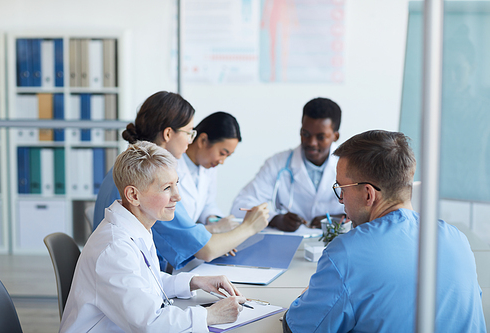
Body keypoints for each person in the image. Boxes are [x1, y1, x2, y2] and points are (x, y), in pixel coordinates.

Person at [283, 130, 486, 332]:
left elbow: (298, 328)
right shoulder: (458, 239)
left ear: (368, 194)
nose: (341, 200)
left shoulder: (346, 254)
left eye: (342, 189)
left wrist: (311, 297)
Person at [60, 142, 247, 333]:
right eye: (167, 188)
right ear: (133, 195)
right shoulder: (114, 248)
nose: (177, 196)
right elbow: (149, 324)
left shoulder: (136, 225)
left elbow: (145, 282)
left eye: (177, 184)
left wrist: (194, 282)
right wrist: (211, 315)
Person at [93, 91, 269, 271]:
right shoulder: (149, 181)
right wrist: (249, 226)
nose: (189, 141)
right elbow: (206, 250)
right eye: (189, 133)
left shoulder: (126, 167)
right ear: (168, 134)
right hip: (127, 277)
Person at [230, 97, 345, 232]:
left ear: (335, 136)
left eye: (320, 137)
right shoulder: (278, 163)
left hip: (335, 243)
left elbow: (371, 209)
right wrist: (275, 219)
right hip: (290, 244)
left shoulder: (351, 165)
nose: (311, 142)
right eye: (305, 134)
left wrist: (341, 218)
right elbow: (240, 206)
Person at [178, 112, 242, 233]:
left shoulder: (208, 166)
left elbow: (207, 203)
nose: (222, 161)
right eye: (222, 153)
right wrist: (215, 229)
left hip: (193, 238)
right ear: (202, 140)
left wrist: (215, 220)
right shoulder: (172, 165)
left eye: (228, 156)